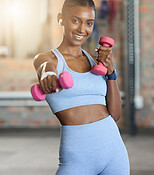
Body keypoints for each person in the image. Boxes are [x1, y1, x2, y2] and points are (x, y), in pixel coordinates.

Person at [33, 0, 130, 174]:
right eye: (75, 20)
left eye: (89, 23)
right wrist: (48, 74)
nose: (82, 29)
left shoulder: (95, 63)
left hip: (115, 153)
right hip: (78, 159)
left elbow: (115, 114)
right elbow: (43, 66)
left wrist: (111, 71)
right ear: (61, 19)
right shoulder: (49, 59)